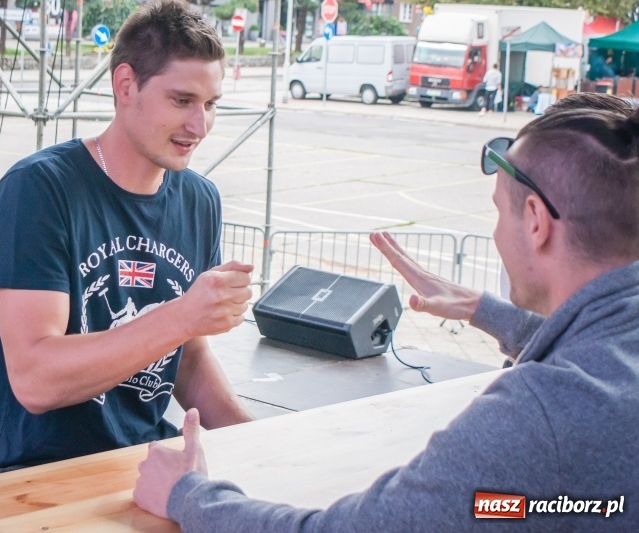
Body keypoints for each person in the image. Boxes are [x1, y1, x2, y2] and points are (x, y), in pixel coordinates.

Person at [133, 101, 639, 529]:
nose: (494, 234)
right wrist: (485, 312)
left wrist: (188, 496)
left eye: (499, 212)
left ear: (534, 222)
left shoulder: (537, 413)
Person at [0, 0, 255, 479]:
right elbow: (35, 378)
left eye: (211, 104)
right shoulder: (38, 190)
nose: (199, 126)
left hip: (142, 464)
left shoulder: (200, 200)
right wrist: (182, 315)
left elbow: (186, 356)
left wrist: (260, 441)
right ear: (126, 85)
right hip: (31, 475)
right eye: (182, 101)